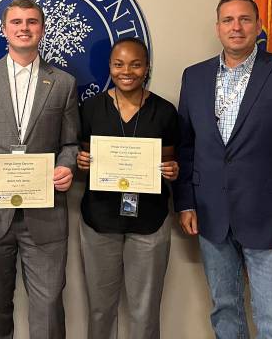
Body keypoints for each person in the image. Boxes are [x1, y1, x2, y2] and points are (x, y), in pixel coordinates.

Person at [175, 0, 272, 339]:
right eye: (228, 20)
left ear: (258, 26)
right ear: (217, 28)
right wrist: (185, 202)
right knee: (225, 312)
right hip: (212, 216)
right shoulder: (195, 76)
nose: (236, 27)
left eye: (245, 19)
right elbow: (186, 145)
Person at [0, 0, 80, 339]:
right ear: (4, 29)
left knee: (49, 310)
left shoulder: (63, 83)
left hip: (45, 214)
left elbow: (71, 144)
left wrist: (66, 167)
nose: (24, 28)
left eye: (32, 22)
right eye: (17, 22)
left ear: (42, 29)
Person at [75, 37, 180, 339]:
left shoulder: (164, 111)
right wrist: (82, 162)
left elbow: (170, 160)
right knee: (100, 309)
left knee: (144, 311)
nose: (127, 72)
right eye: (119, 64)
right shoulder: (91, 108)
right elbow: (83, 154)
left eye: (135, 65)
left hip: (150, 222)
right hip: (99, 220)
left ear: (147, 67)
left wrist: (172, 170)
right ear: (110, 67)